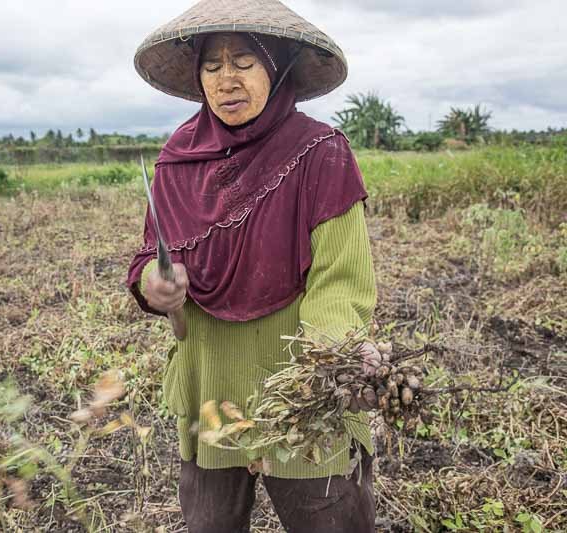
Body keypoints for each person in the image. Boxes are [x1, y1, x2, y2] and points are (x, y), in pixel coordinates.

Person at [128, 1, 381, 531]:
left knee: (328, 518)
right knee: (212, 522)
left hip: (301, 382)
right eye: (213, 65)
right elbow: (148, 260)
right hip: (210, 378)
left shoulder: (320, 153)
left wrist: (328, 364)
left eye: (244, 61)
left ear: (278, 66)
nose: (227, 80)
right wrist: (155, 285)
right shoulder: (177, 159)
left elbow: (340, 281)